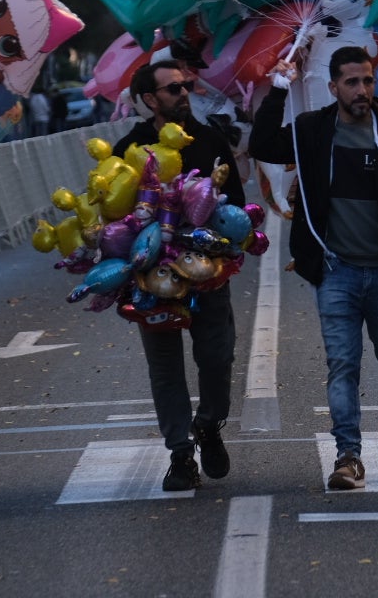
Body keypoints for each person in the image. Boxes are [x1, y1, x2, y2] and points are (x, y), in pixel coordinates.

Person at [251, 46, 378, 490]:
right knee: (342, 365)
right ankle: (348, 456)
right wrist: (278, 90)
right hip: (336, 270)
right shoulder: (314, 130)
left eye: (368, 80)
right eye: (352, 82)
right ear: (333, 87)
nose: (362, 90)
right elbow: (262, 145)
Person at [116, 60, 247, 492]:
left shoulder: (210, 140)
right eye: (174, 89)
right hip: (153, 280)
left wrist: (224, 248)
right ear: (151, 100)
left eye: (187, 85)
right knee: (164, 367)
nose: (185, 93)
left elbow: (238, 207)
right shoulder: (130, 149)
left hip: (208, 275)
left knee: (217, 356)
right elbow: (112, 213)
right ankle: (180, 455)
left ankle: (208, 423)